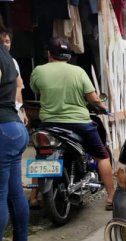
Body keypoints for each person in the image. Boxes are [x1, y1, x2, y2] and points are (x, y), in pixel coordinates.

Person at [29, 37, 115, 210]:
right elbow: (93, 98)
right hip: (79, 123)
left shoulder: (38, 70)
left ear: (49, 53)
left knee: (41, 155)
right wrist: (102, 107)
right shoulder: (78, 72)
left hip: (49, 124)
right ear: (68, 55)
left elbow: (36, 90)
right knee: (102, 156)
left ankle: (33, 197)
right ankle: (111, 197)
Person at [0, 28, 32, 241]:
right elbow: (18, 87)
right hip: (15, 127)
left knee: (1, 194)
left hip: (2, 128)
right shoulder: (9, 59)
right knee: (14, 191)